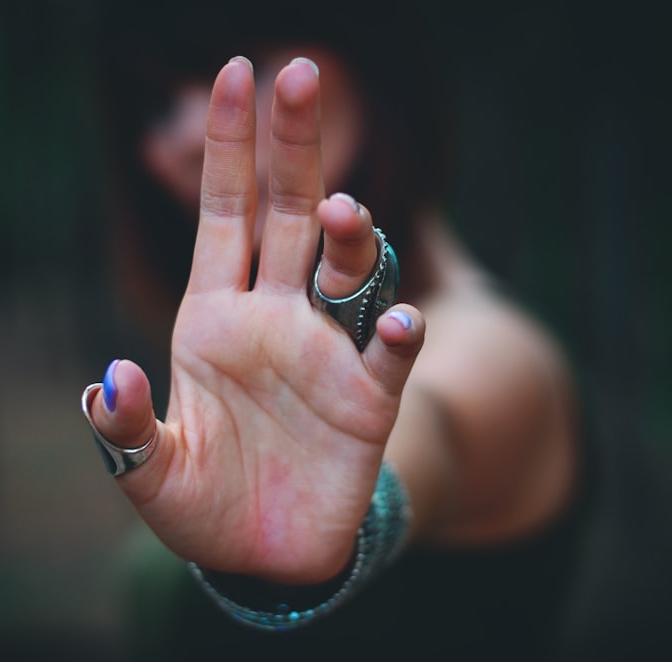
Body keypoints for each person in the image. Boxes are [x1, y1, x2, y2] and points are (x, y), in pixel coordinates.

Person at [84, 3, 587, 660]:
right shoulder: (260, 364)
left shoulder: (497, 354)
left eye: (242, 66)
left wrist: (353, 517)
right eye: (154, 106)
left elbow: (433, 427)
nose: (182, 138)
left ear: (370, 57)